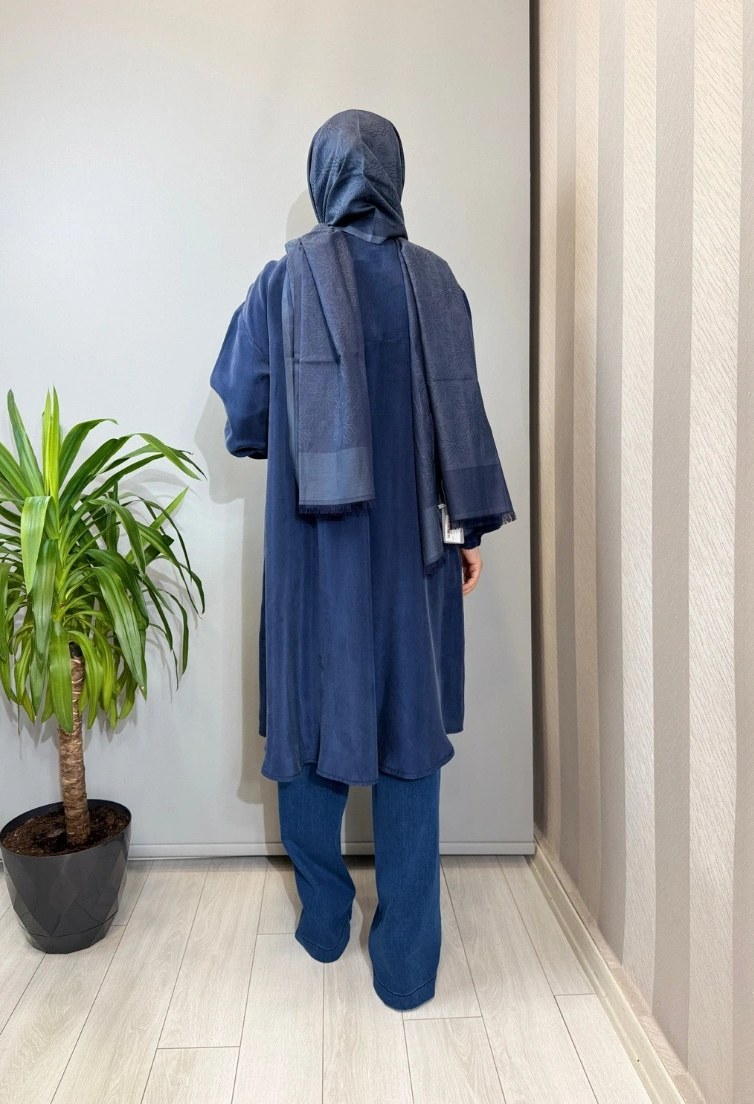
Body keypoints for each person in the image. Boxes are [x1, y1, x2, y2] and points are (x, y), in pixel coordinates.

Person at [211, 109, 515, 1010]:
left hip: (314, 550)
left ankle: (322, 923)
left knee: (309, 725)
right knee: (408, 738)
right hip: (413, 558)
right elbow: (459, 417)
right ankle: (408, 967)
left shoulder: (283, 283)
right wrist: (464, 536)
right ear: (393, 176)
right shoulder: (437, 284)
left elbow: (245, 414)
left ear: (323, 178)